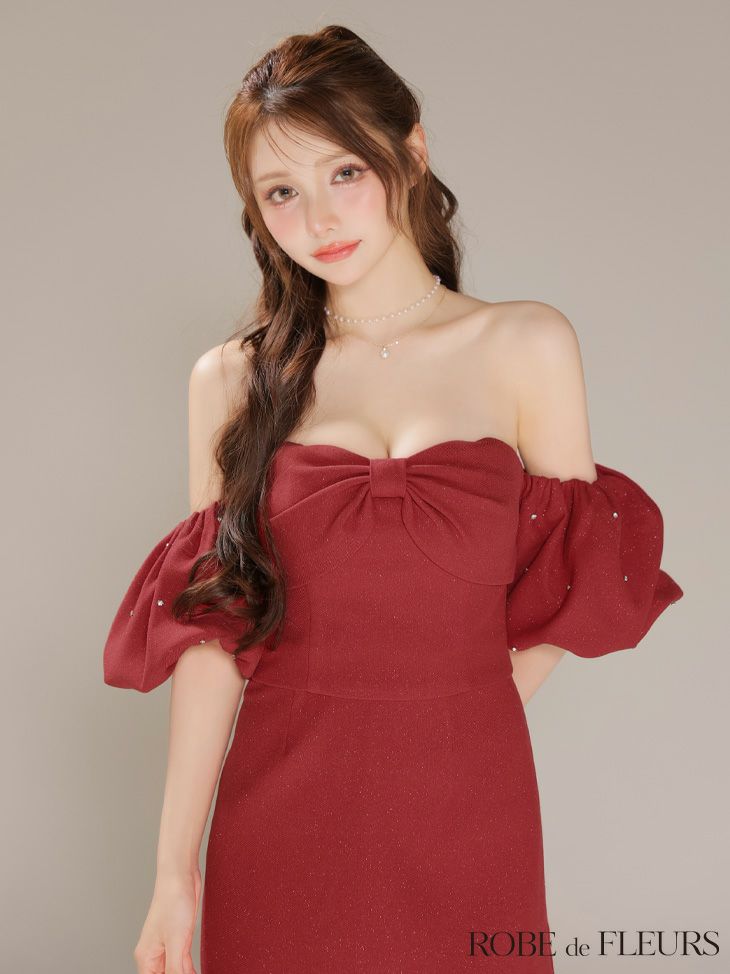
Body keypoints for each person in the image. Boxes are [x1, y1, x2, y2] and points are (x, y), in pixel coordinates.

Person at [102, 24, 684, 974]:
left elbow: (574, 584)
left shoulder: (525, 344)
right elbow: (211, 637)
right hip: (281, 813)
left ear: (410, 149)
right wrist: (174, 872)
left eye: (345, 172)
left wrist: (451, 713)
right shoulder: (231, 380)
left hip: (468, 805)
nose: (319, 217)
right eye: (281, 192)